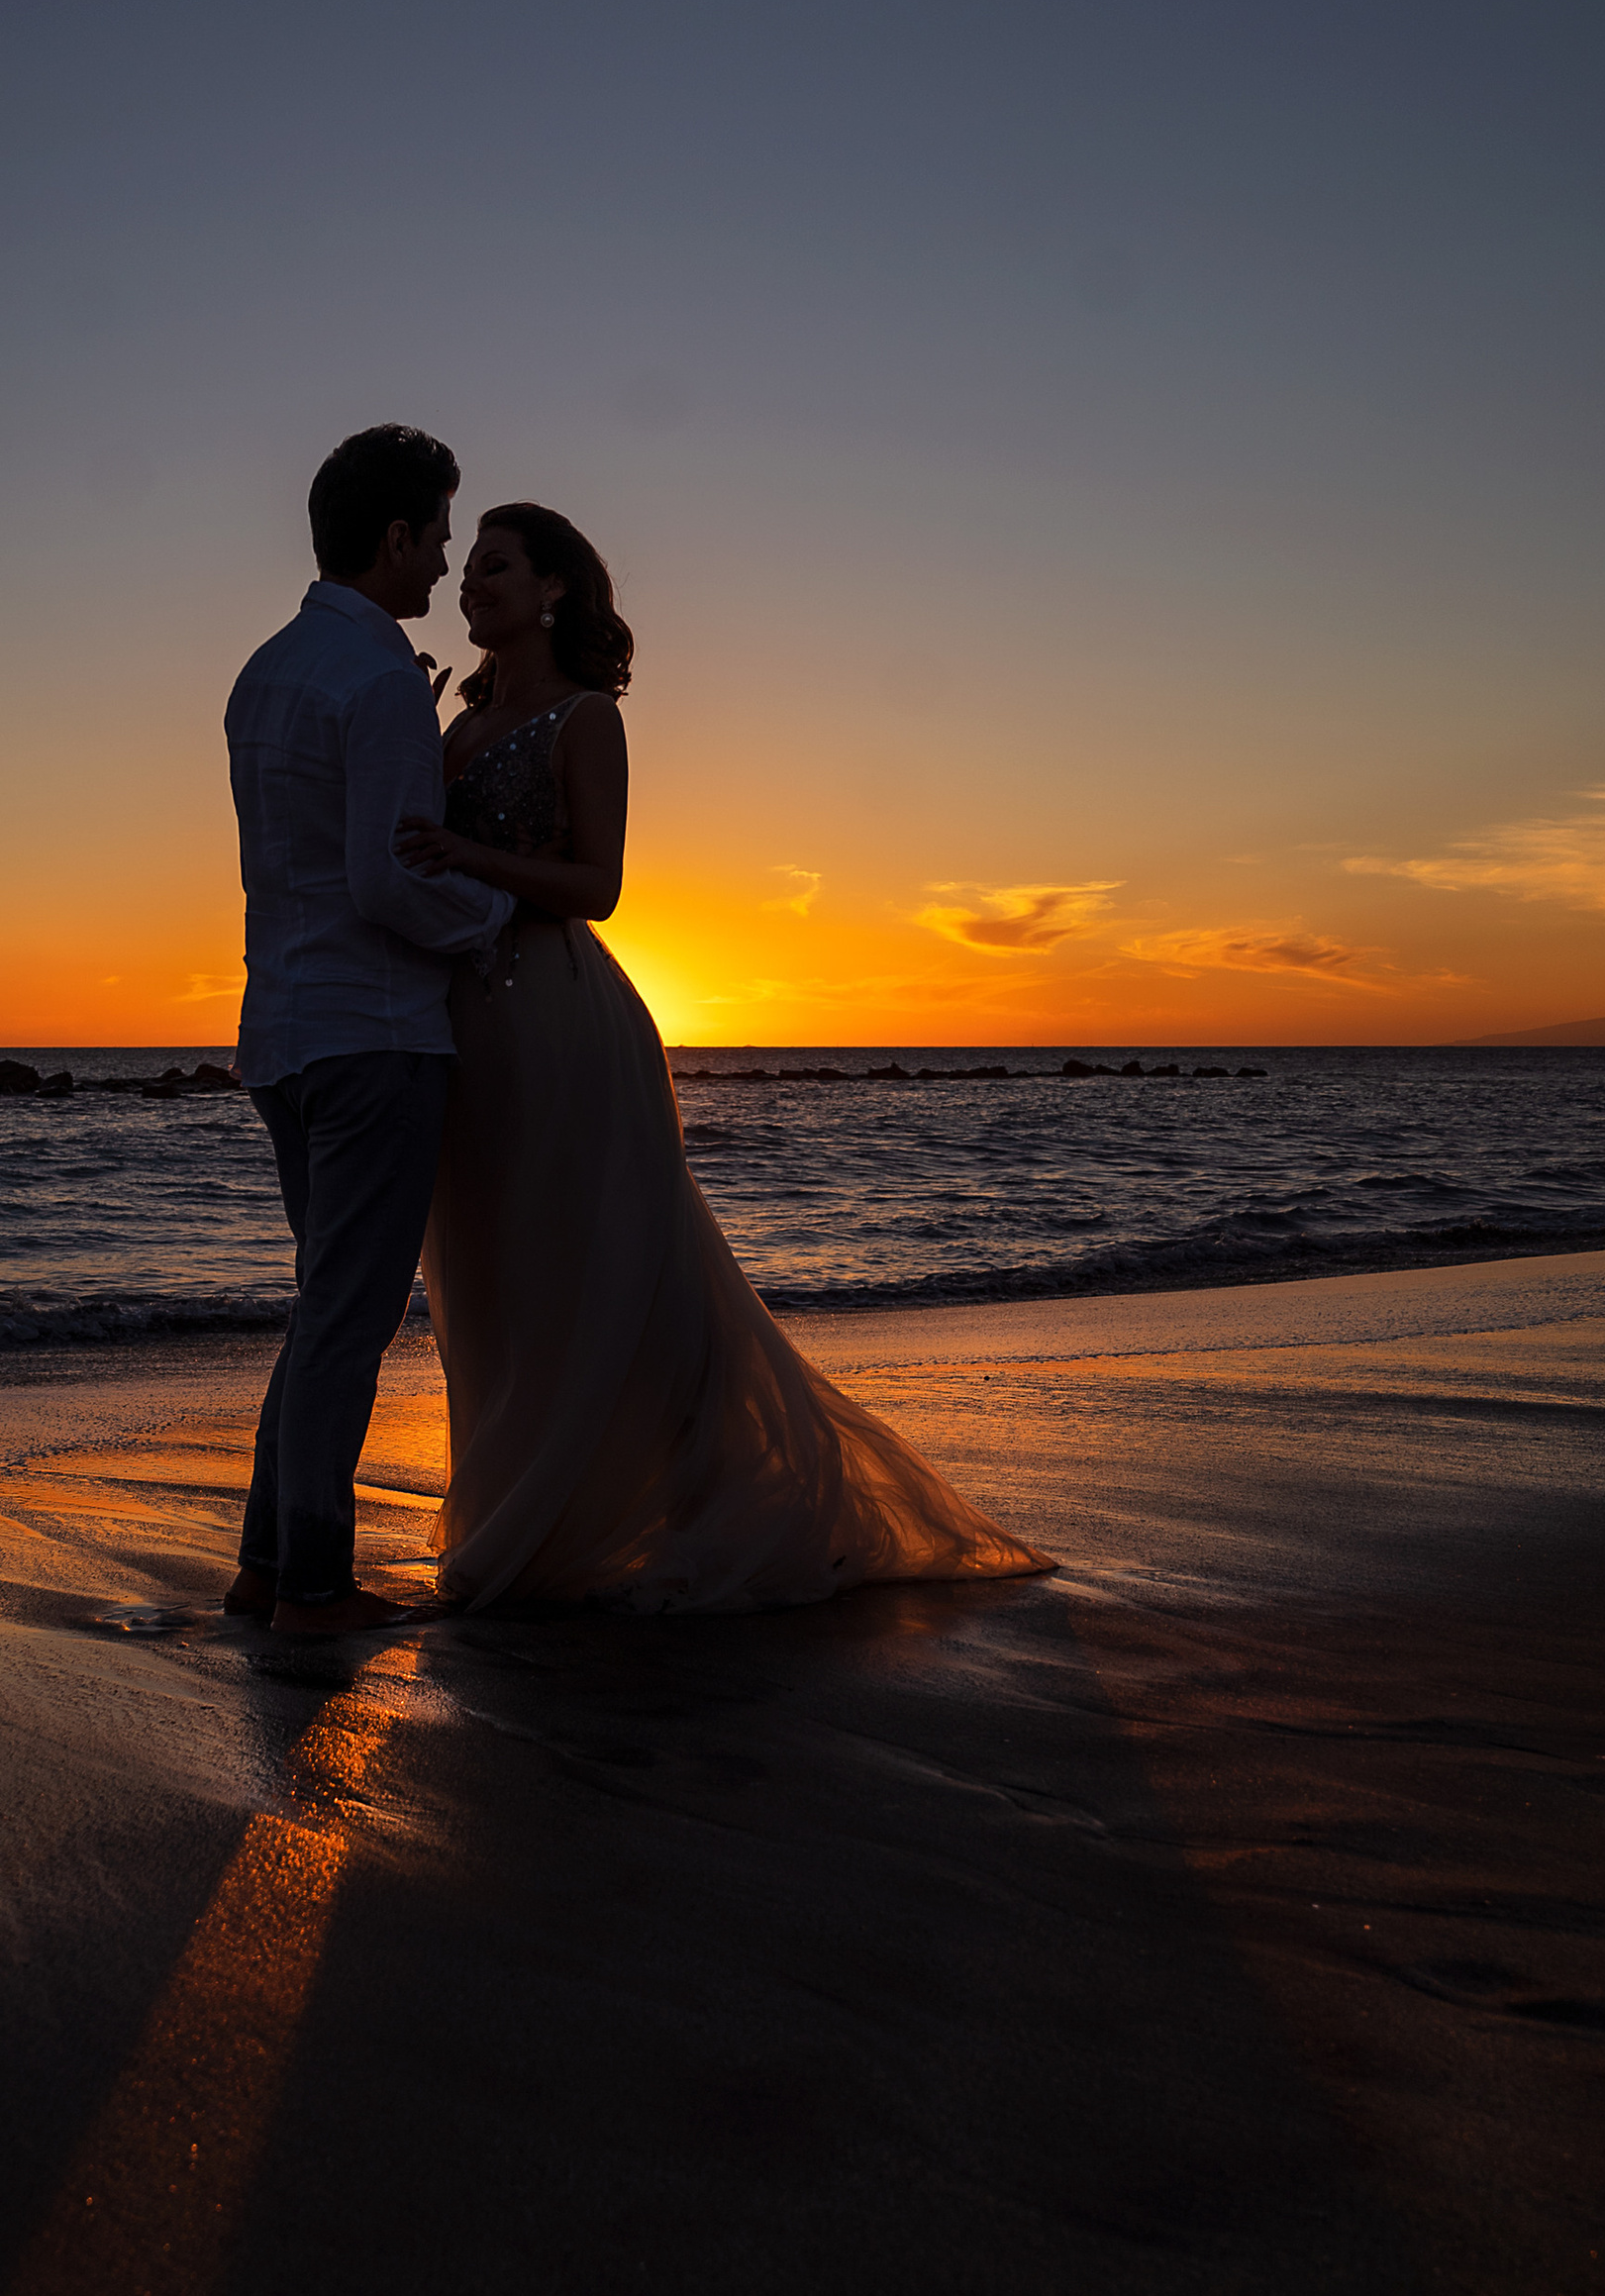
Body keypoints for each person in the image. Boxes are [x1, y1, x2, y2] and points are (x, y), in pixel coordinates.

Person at [395, 502, 1052, 1608]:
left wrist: (463, 849)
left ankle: (614, 1517)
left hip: (556, 1017)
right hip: (462, 1027)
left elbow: (597, 886)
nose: (470, 583)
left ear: (554, 589)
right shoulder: (456, 728)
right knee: (489, 1281)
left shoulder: (584, 719)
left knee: (580, 1273)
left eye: (495, 565)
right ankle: (515, 1518)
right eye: (466, 568)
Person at [224, 425, 519, 1638]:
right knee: (347, 1319)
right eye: (438, 536)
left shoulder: (264, 672)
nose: (445, 561)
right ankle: (312, 1584)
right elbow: (387, 879)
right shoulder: (380, 677)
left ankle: (266, 1565)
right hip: (376, 1034)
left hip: (280, 1032)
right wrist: (496, 920)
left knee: (323, 1308)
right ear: (394, 538)